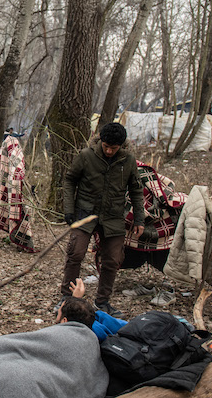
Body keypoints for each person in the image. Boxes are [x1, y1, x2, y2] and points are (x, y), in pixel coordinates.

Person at [57, 122, 144, 318]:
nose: (110, 151)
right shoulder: (86, 156)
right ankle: (66, 299)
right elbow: (70, 180)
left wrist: (139, 218)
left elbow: (136, 190)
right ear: (101, 142)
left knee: (113, 260)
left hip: (113, 216)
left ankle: (102, 301)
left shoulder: (128, 160)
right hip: (84, 214)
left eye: (114, 148)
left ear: (121, 146)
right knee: (76, 254)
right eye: (106, 146)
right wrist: (69, 210)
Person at [56, 278, 127, 341]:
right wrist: (76, 299)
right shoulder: (95, 327)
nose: (58, 310)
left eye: (59, 311)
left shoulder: (66, 342)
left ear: (65, 321)